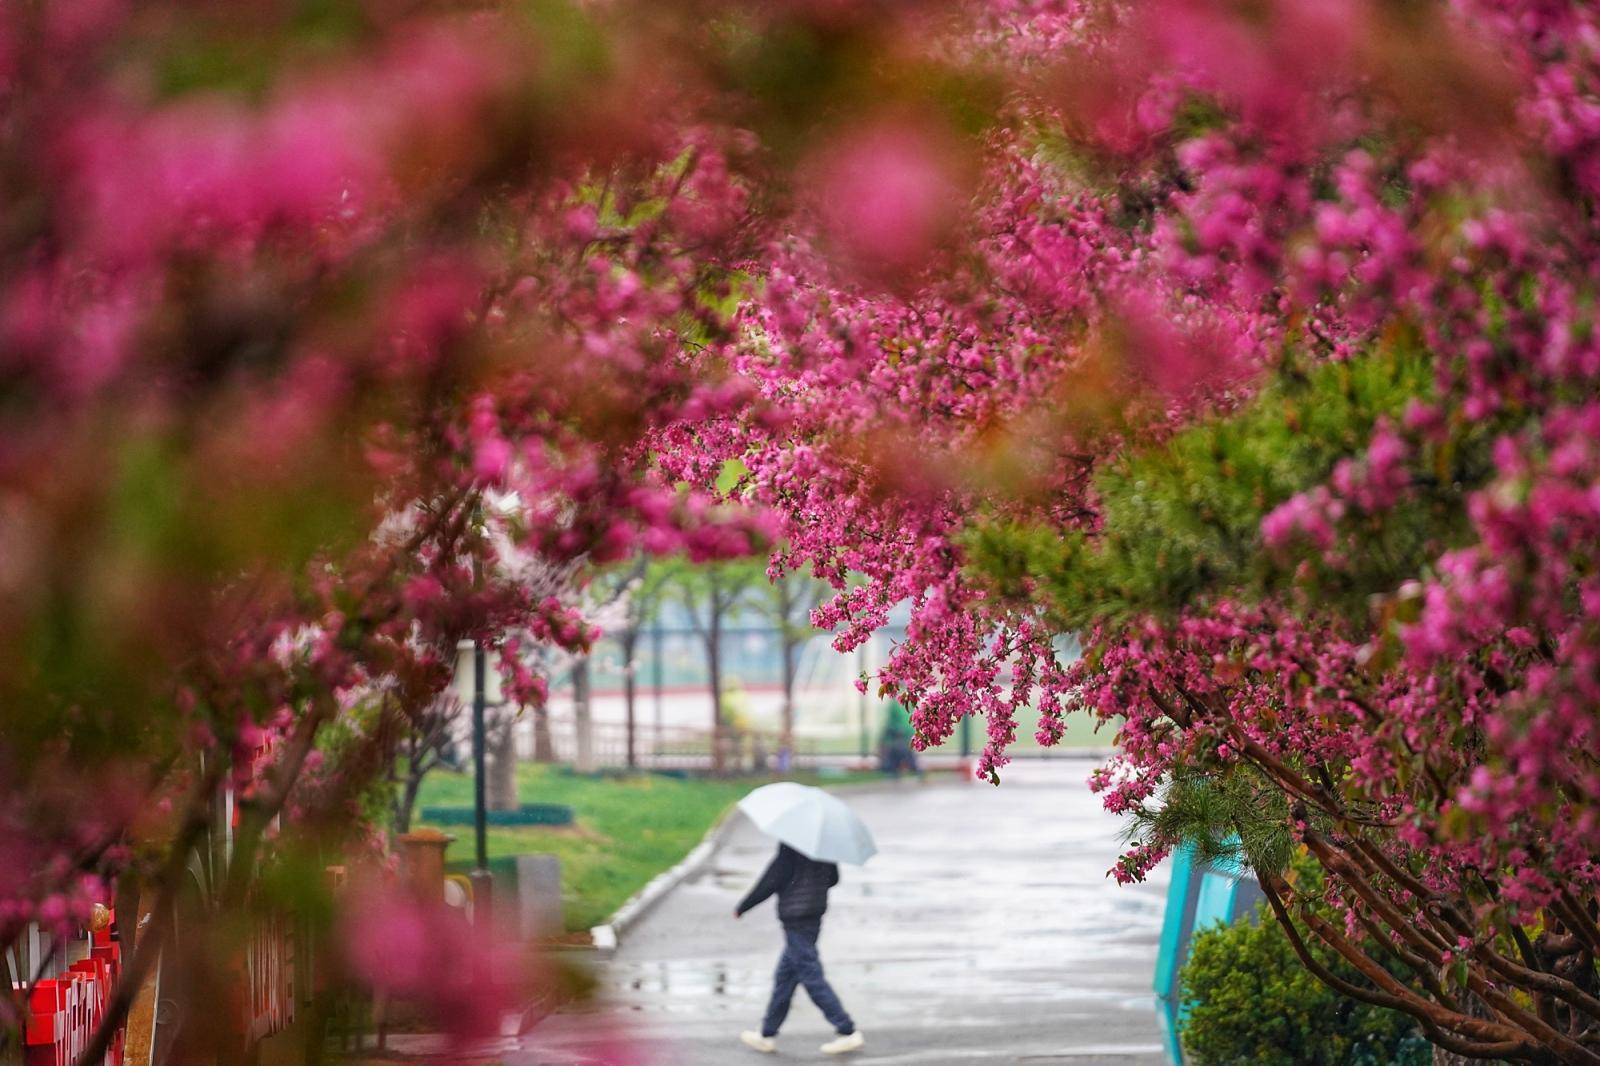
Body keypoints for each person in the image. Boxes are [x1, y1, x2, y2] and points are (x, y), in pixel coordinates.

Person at [734, 842, 863, 1056]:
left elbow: (771, 880)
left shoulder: (789, 845)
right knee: (785, 977)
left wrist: (743, 907)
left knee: (811, 976)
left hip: (796, 918)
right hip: (813, 914)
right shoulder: (824, 846)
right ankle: (767, 1034)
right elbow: (833, 879)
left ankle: (846, 1030)